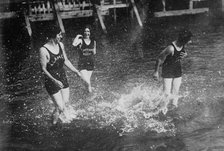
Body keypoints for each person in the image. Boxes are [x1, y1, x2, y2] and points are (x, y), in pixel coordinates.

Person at [39, 25, 81, 124]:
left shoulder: (61, 45)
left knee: (65, 103)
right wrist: (55, 81)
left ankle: (58, 121)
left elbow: (66, 60)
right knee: (60, 107)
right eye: (59, 34)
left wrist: (76, 71)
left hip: (62, 76)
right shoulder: (43, 50)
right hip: (51, 80)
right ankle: (53, 124)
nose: (60, 37)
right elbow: (43, 69)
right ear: (53, 36)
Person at [153, 29, 192, 108]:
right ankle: (162, 109)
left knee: (176, 92)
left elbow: (183, 51)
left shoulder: (182, 44)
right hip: (167, 70)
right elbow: (159, 59)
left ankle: (174, 108)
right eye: (189, 40)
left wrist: (185, 55)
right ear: (183, 40)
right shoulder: (170, 48)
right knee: (166, 94)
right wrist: (156, 72)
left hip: (177, 69)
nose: (190, 41)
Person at [72, 25, 96, 93]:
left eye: (88, 31)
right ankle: (91, 97)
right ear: (83, 32)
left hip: (90, 64)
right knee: (88, 83)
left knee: (87, 83)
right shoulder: (80, 40)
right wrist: (77, 36)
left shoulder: (93, 41)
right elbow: (73, 45)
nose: (86, 33)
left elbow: (94, 52)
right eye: (85, 31)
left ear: (90, 32)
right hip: (82, 64)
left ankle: (85, 97)